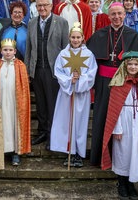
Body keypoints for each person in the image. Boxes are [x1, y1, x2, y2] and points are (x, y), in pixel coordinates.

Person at [86, 2, 138, 167]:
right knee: (101, 117)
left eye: (120, 14)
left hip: (123, 83)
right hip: (103, 82)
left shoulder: (132, 35)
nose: (117, 17)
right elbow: (88, 57)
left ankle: (120, 159)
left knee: (121, 120)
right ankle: (98, 157)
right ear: (109, 16)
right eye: (113, 14)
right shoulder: (99, 34)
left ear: (125, 15)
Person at [101, 51, 138, 199]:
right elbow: (114, 109)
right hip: (123, 122)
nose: (132, 67)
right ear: (125, 66)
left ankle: (132, 184)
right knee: (122, 153)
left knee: (135, 153)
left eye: (135, 64)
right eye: (130, 64)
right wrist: (117, 128)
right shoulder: (118, 84)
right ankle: (122, 183)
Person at [25, 0, 69, 150]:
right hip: (37, 70)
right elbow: (29, 49)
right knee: (41, 104)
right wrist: (28, 70)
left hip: (54, 72)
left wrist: (65, 72)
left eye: (45, 5)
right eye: (39, 5)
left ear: (51, 5)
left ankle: (53, 135)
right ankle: (42, 131)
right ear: (36, 7)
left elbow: (65, 49)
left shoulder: (62, 22)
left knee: (52, 105)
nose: (42, 8)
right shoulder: (31, 23)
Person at [50, 22, 97, 167]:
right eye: (73, 37)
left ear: (83, 38)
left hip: (81, 95)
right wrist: (70, 80)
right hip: (66, 94)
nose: (75, 40)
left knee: (80, 124)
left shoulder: (88, 55)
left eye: (78, 37)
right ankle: (69, 152)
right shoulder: (63, 54)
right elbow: (58, 72)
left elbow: (91, 74)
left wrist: (80, 81)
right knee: (67, 123)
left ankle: (79, 154)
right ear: (69, 38)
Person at [0, 39, 31, 166]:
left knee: (14, 125)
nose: (8, 53)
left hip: (15, 102)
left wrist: (22, 102)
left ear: (15, 51)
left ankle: (15, 153)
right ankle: (1, 151)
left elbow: (24, 88)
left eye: (10, 50)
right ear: (1, 51)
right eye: (5, 50)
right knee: (2, 124)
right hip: (0, 101)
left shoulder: (20, 66)